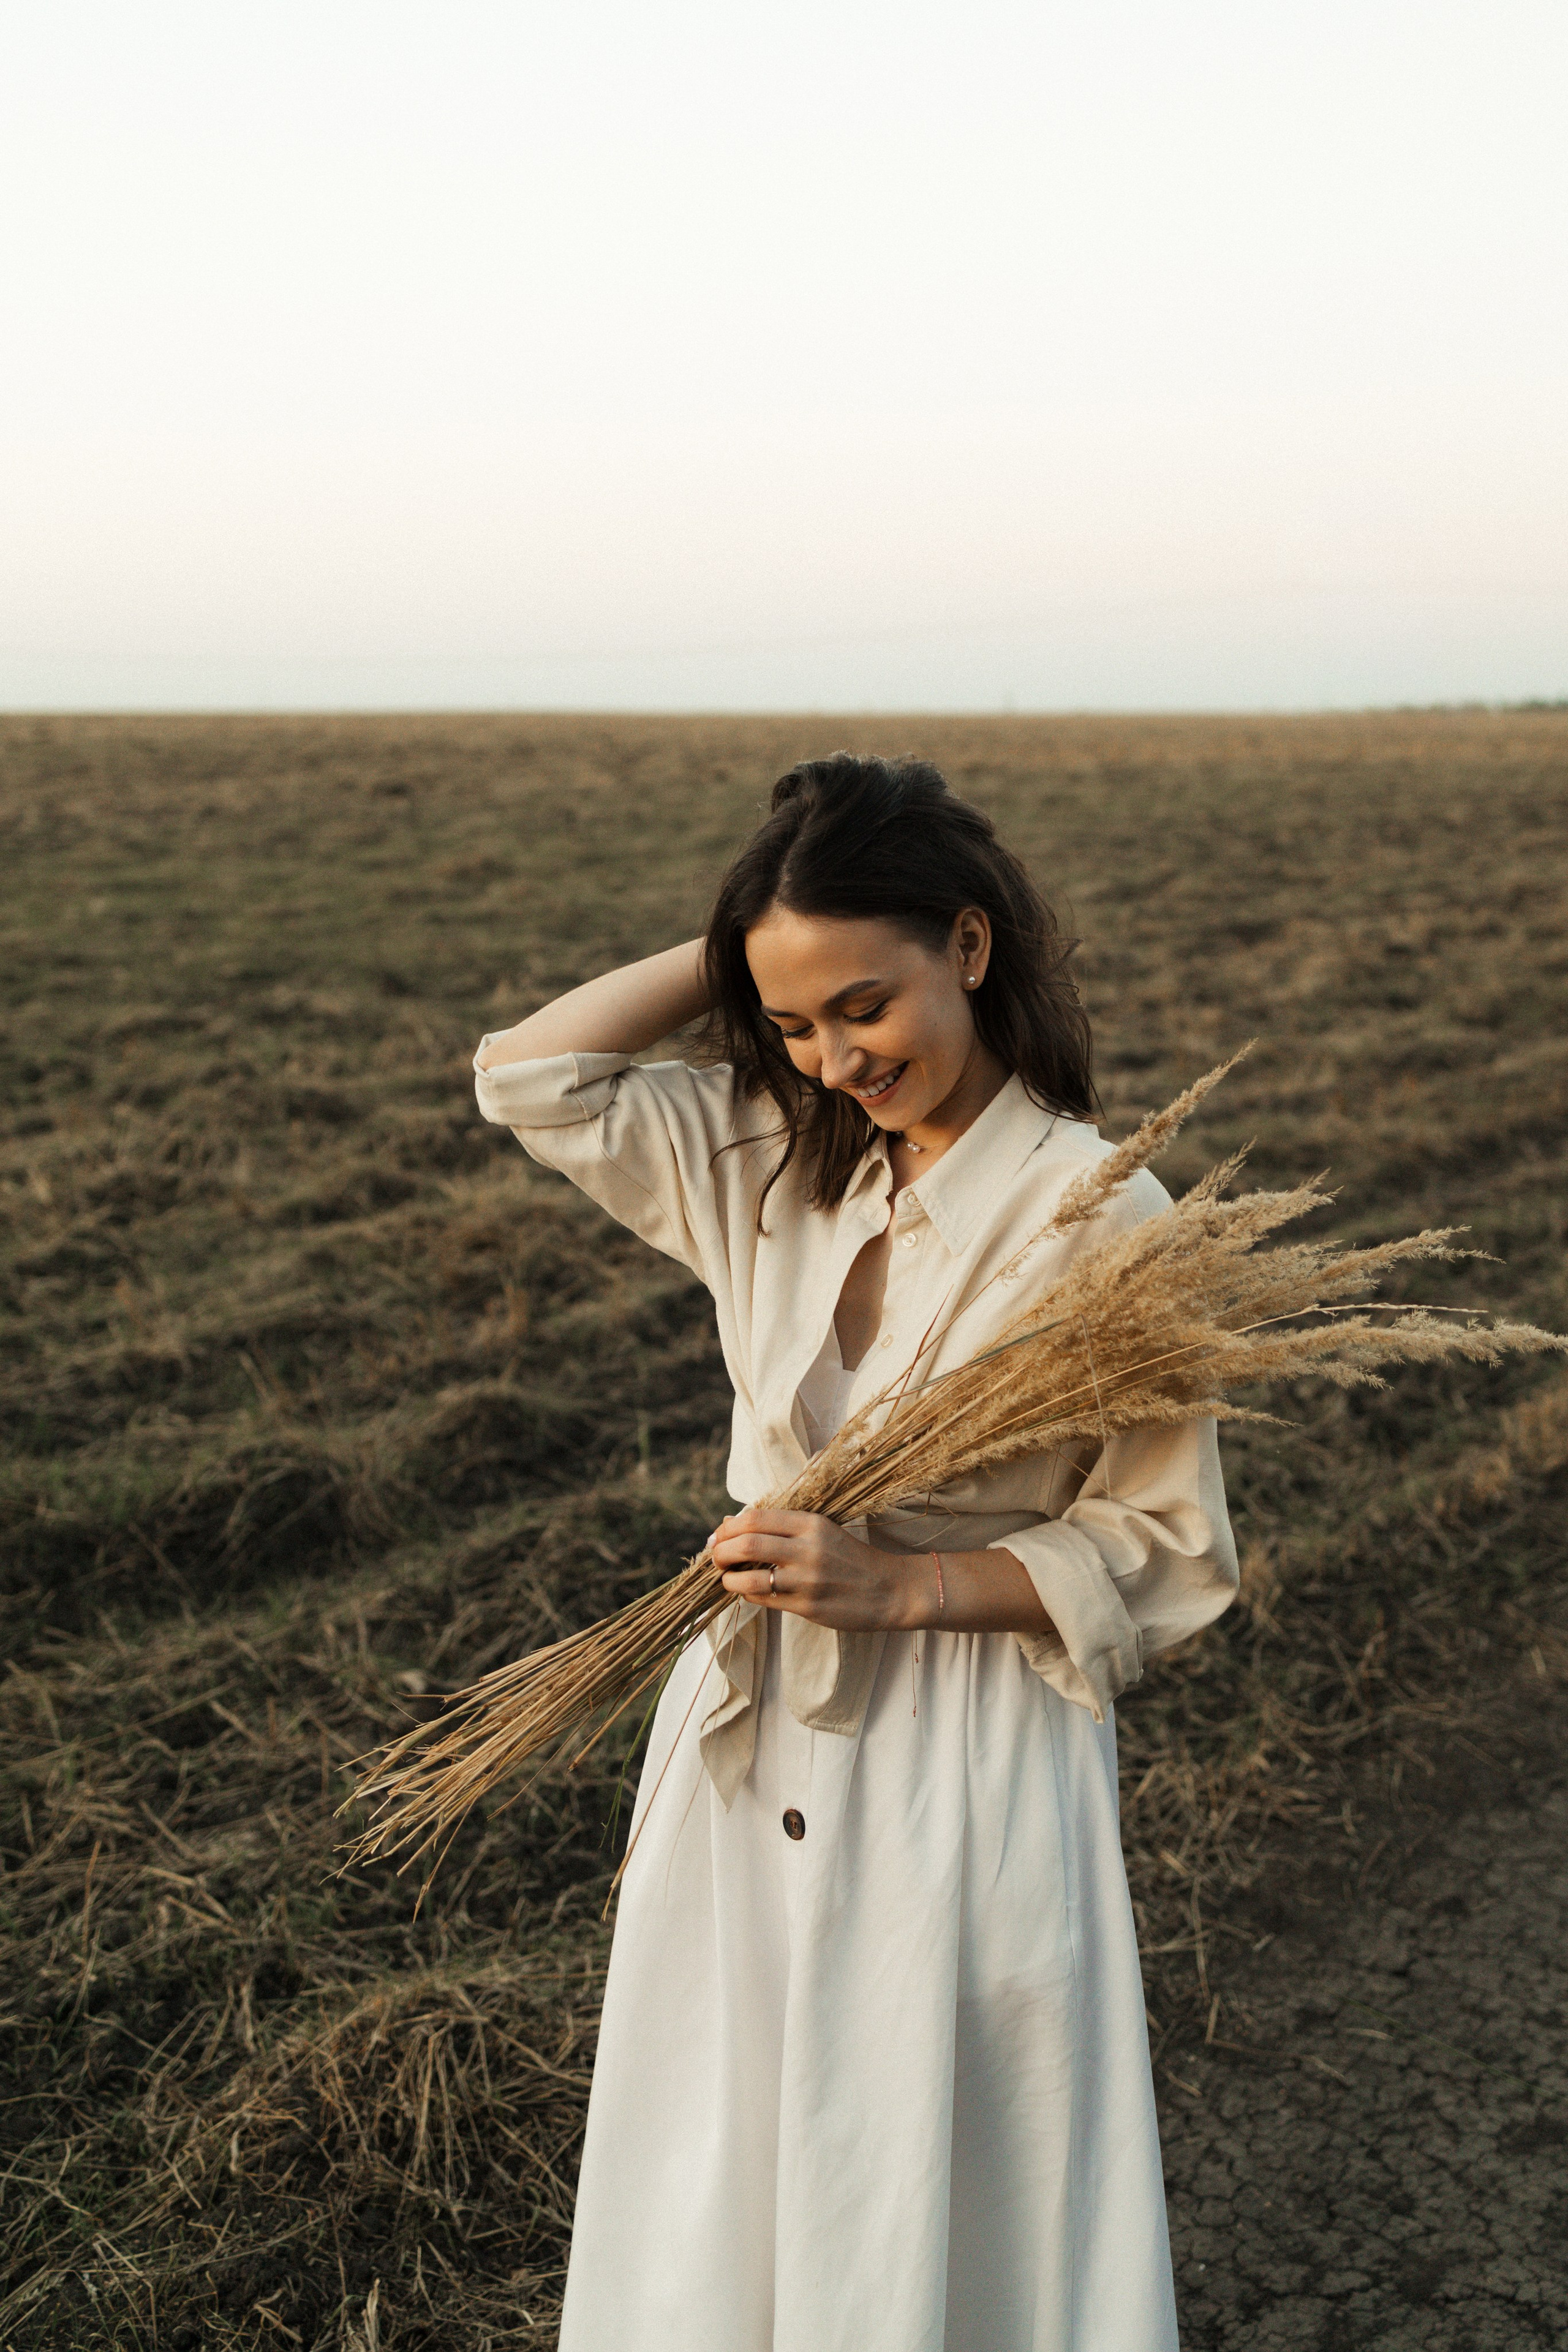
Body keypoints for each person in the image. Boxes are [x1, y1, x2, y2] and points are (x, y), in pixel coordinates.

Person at [473, 753, 1237, 2352]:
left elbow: (1167, 1545)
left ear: (970, 943)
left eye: (865, 1006)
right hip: (743, 1724)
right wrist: (754, 942)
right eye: (794, 1024)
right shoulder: (774, 1150)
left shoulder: (1102, 1214)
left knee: (922, 2155)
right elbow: (532, 1079)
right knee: (723, 2138)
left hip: (962, 1743)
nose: (835, 1058)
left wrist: (905, 1588)